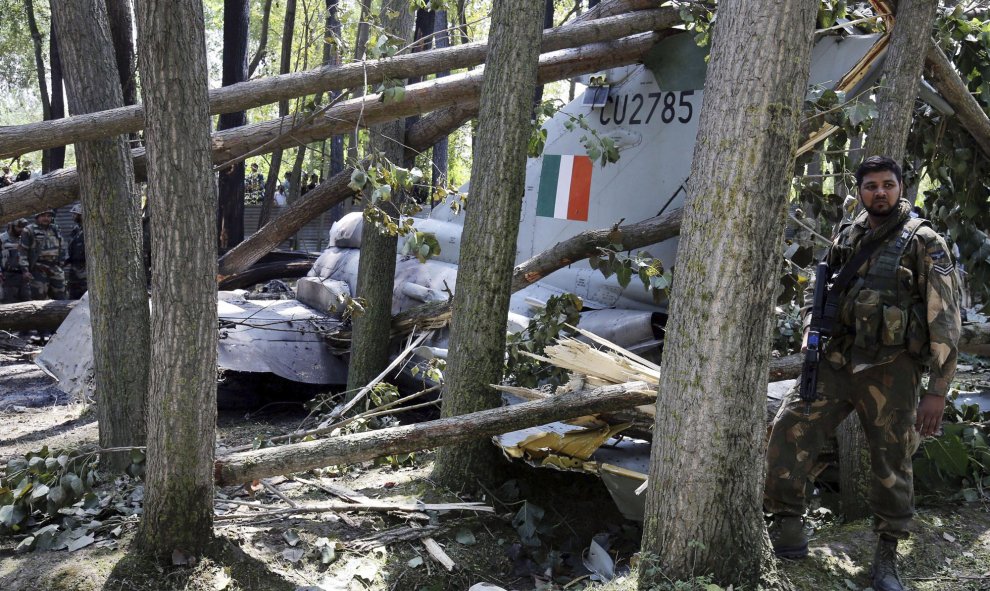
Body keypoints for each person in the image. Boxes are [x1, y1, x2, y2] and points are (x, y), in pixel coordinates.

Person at [764, 156, 961, 591]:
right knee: (787, 433)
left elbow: (945, 319)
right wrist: (810, 337)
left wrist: (938, 391)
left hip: (892, 370)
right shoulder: (849, 234)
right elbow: (825, 293)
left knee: (891, 462)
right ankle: (789, 527)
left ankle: (887, 557)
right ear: (861, 191)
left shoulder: (925, 242)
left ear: (901, 188)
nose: (880, 193)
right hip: (835, 362)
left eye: (888, 185)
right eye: (871, 186)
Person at [19, 209, 66, 300]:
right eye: (43, 216)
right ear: (37, 217)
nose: (46, 218)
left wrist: (61, 262)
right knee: (38, 299)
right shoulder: (29, 230)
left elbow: (62, 246)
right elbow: (23, 251)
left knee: (61, 298)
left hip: (55, 268)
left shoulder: (55, 229)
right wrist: (25, 270)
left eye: (48, 216)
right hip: (38, 269)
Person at [1, 218, 31, 303]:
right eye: (19, 226)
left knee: (27, 303)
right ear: (11, 226)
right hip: (7, 276)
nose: (22, 229)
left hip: (24, 276)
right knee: (9, 304)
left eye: (24, 227)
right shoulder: (2, 239)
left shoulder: (25, 238)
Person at [64, 203, 87, 299]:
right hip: (74, 269)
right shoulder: (76, 229)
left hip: (85, 270)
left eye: (75, 214)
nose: (73, 216)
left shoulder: (89, 230)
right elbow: (70, 246)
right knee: (73, 296)